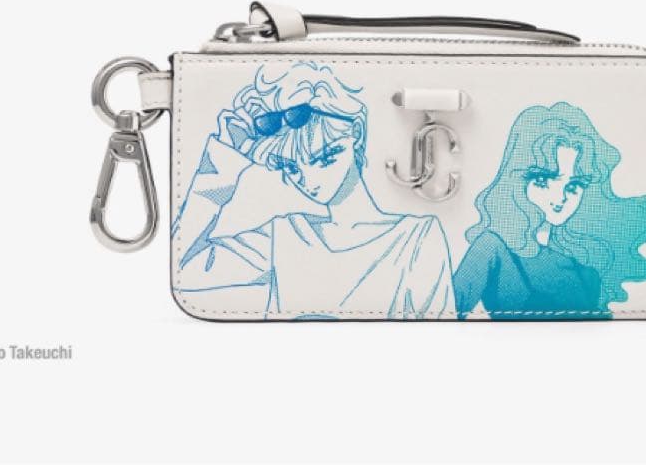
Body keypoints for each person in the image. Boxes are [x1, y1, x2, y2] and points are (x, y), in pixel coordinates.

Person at [173, 62, 454, 319]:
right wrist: (223, 157)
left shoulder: (416, 239)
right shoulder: (284, 236)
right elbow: (185, 270)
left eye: (325, 158)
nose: (310, 181)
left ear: (356, 133)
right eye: (291, 168)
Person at [452, 102, 646, 320]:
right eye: (544, 180)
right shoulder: (492, 248)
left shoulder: (586, 273)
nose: (560, 197)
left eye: (574, 185)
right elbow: (448, 311)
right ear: (518, 180)